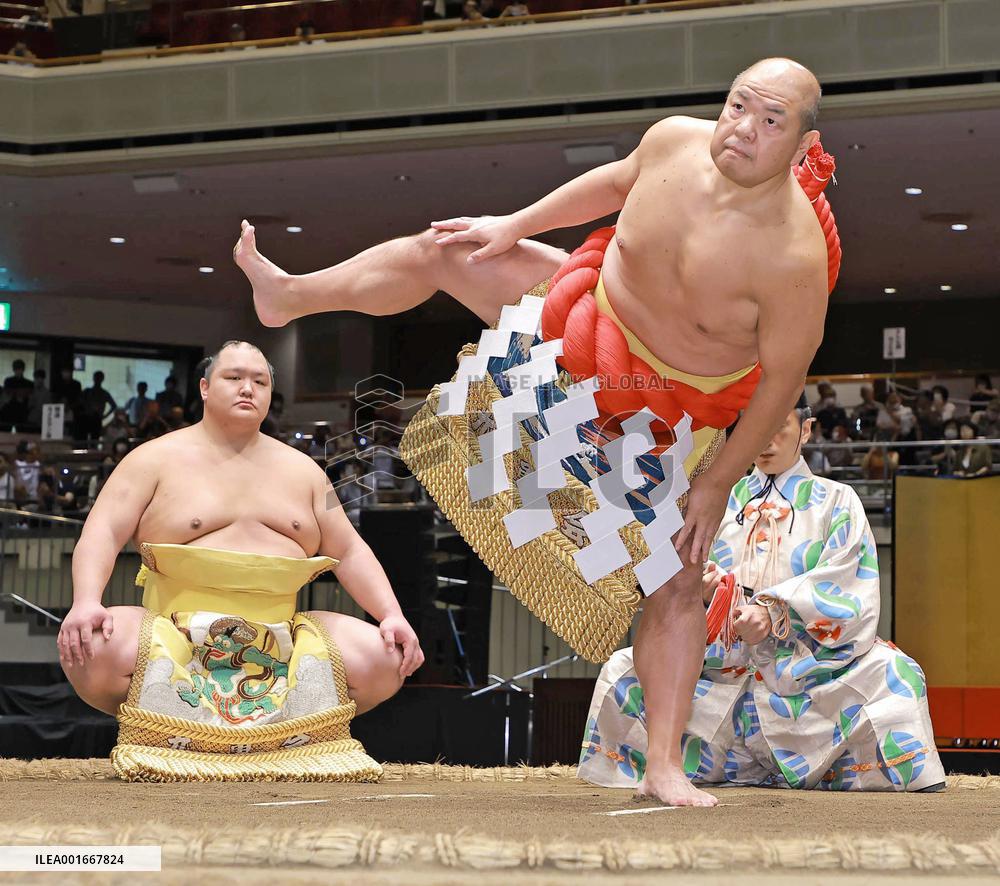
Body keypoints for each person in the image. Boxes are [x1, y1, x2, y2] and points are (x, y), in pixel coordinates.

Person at [235, 57, 835, 806]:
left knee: (678, 582)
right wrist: (514, 225)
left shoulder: (794, 257)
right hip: (580, 318)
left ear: (802, 145)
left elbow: (781, 383)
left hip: (667, 413)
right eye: (738, 106)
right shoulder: (674, 140)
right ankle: (289, 295)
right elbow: (614, 184)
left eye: (771, 120)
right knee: (449, 246)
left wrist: (716, 484)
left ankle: (663, 765)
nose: (743, 128)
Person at [57, 341, 423, 781]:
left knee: (384, 658)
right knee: (95, 648)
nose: (247, 388)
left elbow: (349, 549)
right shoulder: (151, 459)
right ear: (205, 388)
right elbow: (102, 531)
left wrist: (391, 614)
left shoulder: (308, 472)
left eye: (260, 381)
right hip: (172, 637)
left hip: (280, 642)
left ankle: (286, 742)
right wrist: (86, 601)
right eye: (234, 377)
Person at [579, 400, 945, 793]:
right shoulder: (714, 497)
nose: (766, 440)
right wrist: (700, 588)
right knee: (623, 668)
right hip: (720, 662)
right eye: (755, 427)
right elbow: (673, 571)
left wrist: (775, 613)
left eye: (779, 426)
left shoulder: (837, 499)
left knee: (894, 671)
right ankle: (661, 767)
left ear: (806, 430)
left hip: (803, 665)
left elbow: (848, 581)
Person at [77, 371, 117, 444]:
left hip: (96, 418)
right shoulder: (87, 391)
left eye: (99, 378)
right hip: (87, 418)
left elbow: (114, 405)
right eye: (96, 378)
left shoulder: (103, 393)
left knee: (93, 440)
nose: (97, 380)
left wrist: (104, 416)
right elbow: (79, 402)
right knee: (85, 440)